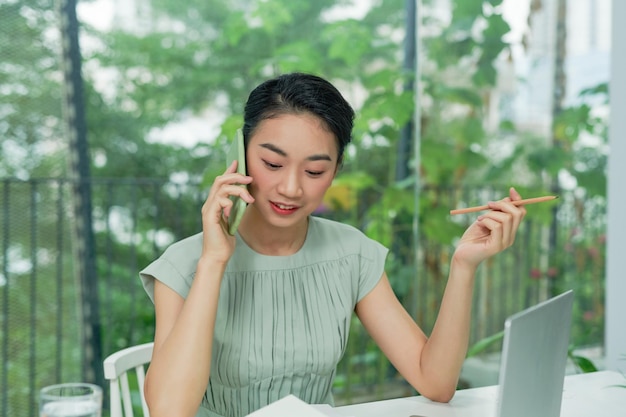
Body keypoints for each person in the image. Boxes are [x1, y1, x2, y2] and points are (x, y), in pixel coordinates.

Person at [139, 72, 526, 417]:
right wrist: (213, 261)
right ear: (239, 156)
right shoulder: (185, 265)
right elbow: (170, 411)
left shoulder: (350, 254)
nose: (291, 188)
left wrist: (463, 265)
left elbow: (436, 383)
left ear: (336, 170)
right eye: (272, 164)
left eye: (314, 171)